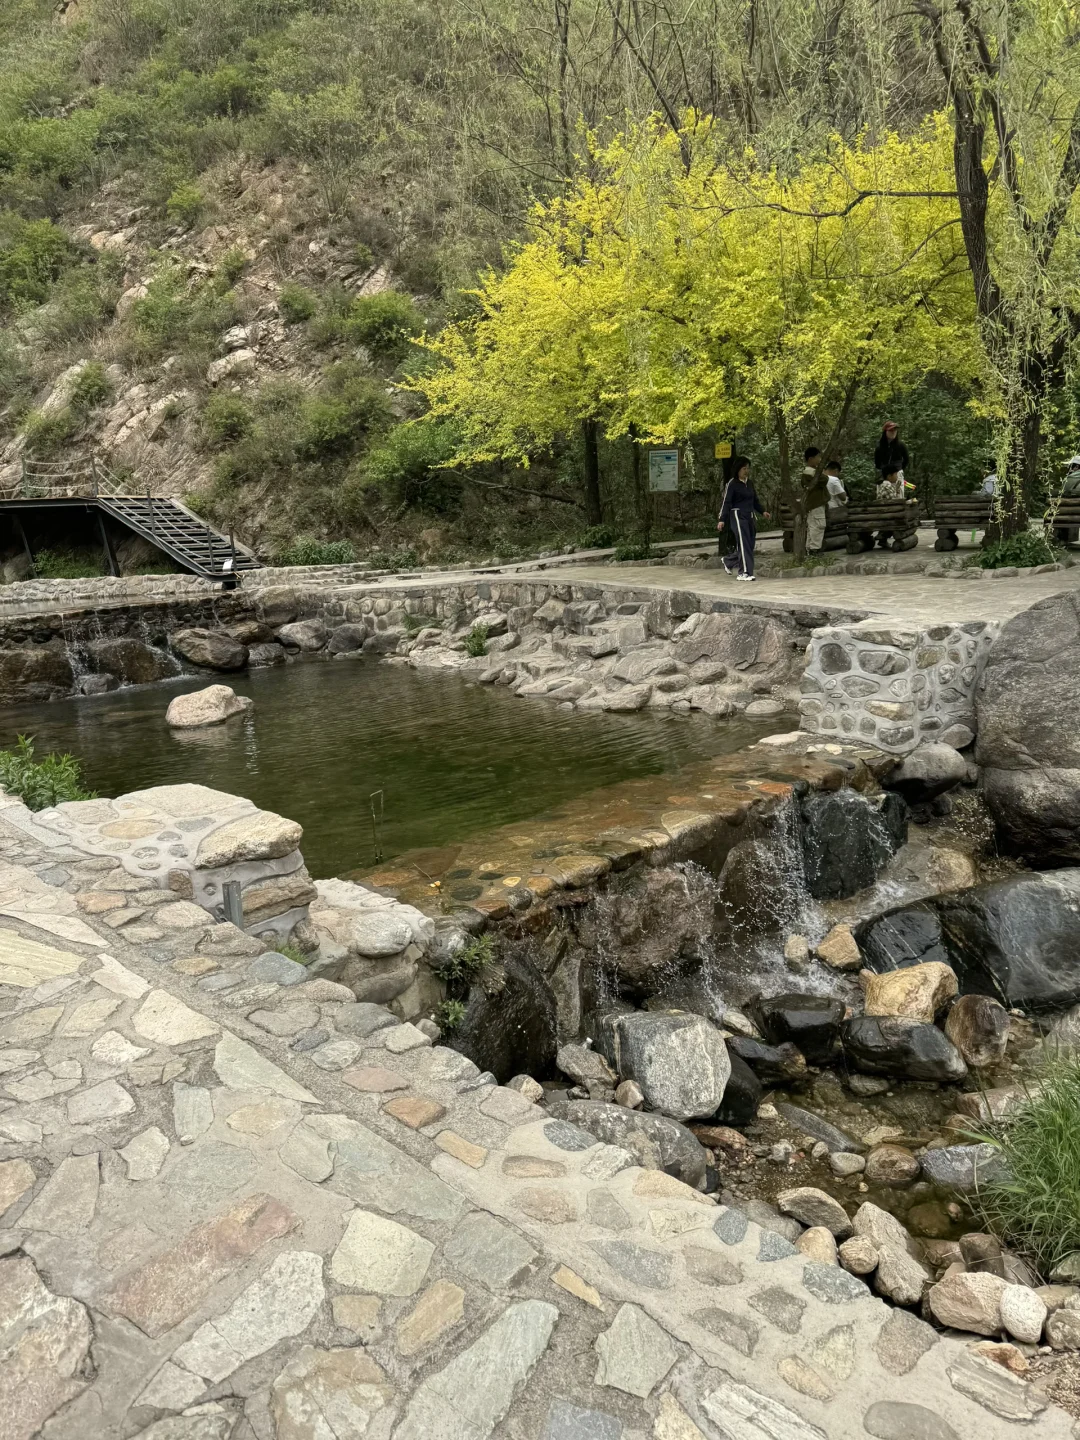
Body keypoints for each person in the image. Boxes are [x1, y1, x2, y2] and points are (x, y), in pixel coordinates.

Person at [718, 456, 769, 580]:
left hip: (750, 516)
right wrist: (722, 519)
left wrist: (762, 511)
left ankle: (729, 561)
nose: (746, 471)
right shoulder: (732, 484)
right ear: (738, 469)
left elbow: (755, 500)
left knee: (749, 545)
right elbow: (726, 502)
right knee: (744, 544)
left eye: (748, 468)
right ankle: (744, 573)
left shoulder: (749, 483)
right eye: (744, 469)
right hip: (738, 516)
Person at [802, 447, 829, 552]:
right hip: (815, 504)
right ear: (811, 459)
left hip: (816, 504)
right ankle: (814, 549)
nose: (819, 460)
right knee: (817, 526)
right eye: (818, 457)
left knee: (813, 526)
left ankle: (810, 549)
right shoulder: (810, 473)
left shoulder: (812, 472)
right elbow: (824, 479)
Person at [874, 421, 909, 486]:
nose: (893, 432)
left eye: (895, 430)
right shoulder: (879, 447)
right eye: (891, 430)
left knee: (898, 492)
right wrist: (885, 469)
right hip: (884, 478)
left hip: (897, 477)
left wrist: (899, 470)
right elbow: (877, 464)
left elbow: (906, 460)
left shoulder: (901, 445)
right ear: (885, 432)